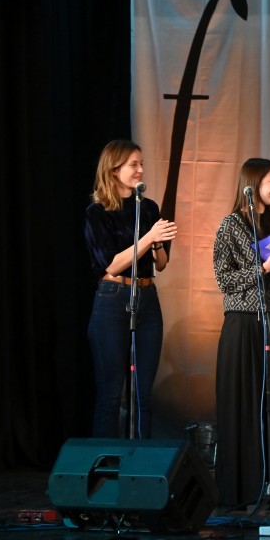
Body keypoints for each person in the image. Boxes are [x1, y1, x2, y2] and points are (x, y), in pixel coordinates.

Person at [213, 158, 270, 508]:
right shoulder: (230, 225)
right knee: (249, 402)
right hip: (245, 322)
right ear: (253, 184)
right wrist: (264, 267)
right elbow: (224, 279)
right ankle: (245, 487)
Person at [85, 139, 177, 439]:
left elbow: (161, 263)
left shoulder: (148, 208)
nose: (140, 170)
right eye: (133, 165)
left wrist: (158, 243)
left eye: (141, 164)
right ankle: (106, 460)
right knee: (111, 394)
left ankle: (141, 459)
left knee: (143, 395)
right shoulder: (98, 212)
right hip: (113, 300)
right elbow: (111, 265)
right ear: (114, 170)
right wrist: (148, 238)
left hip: (147, 298)